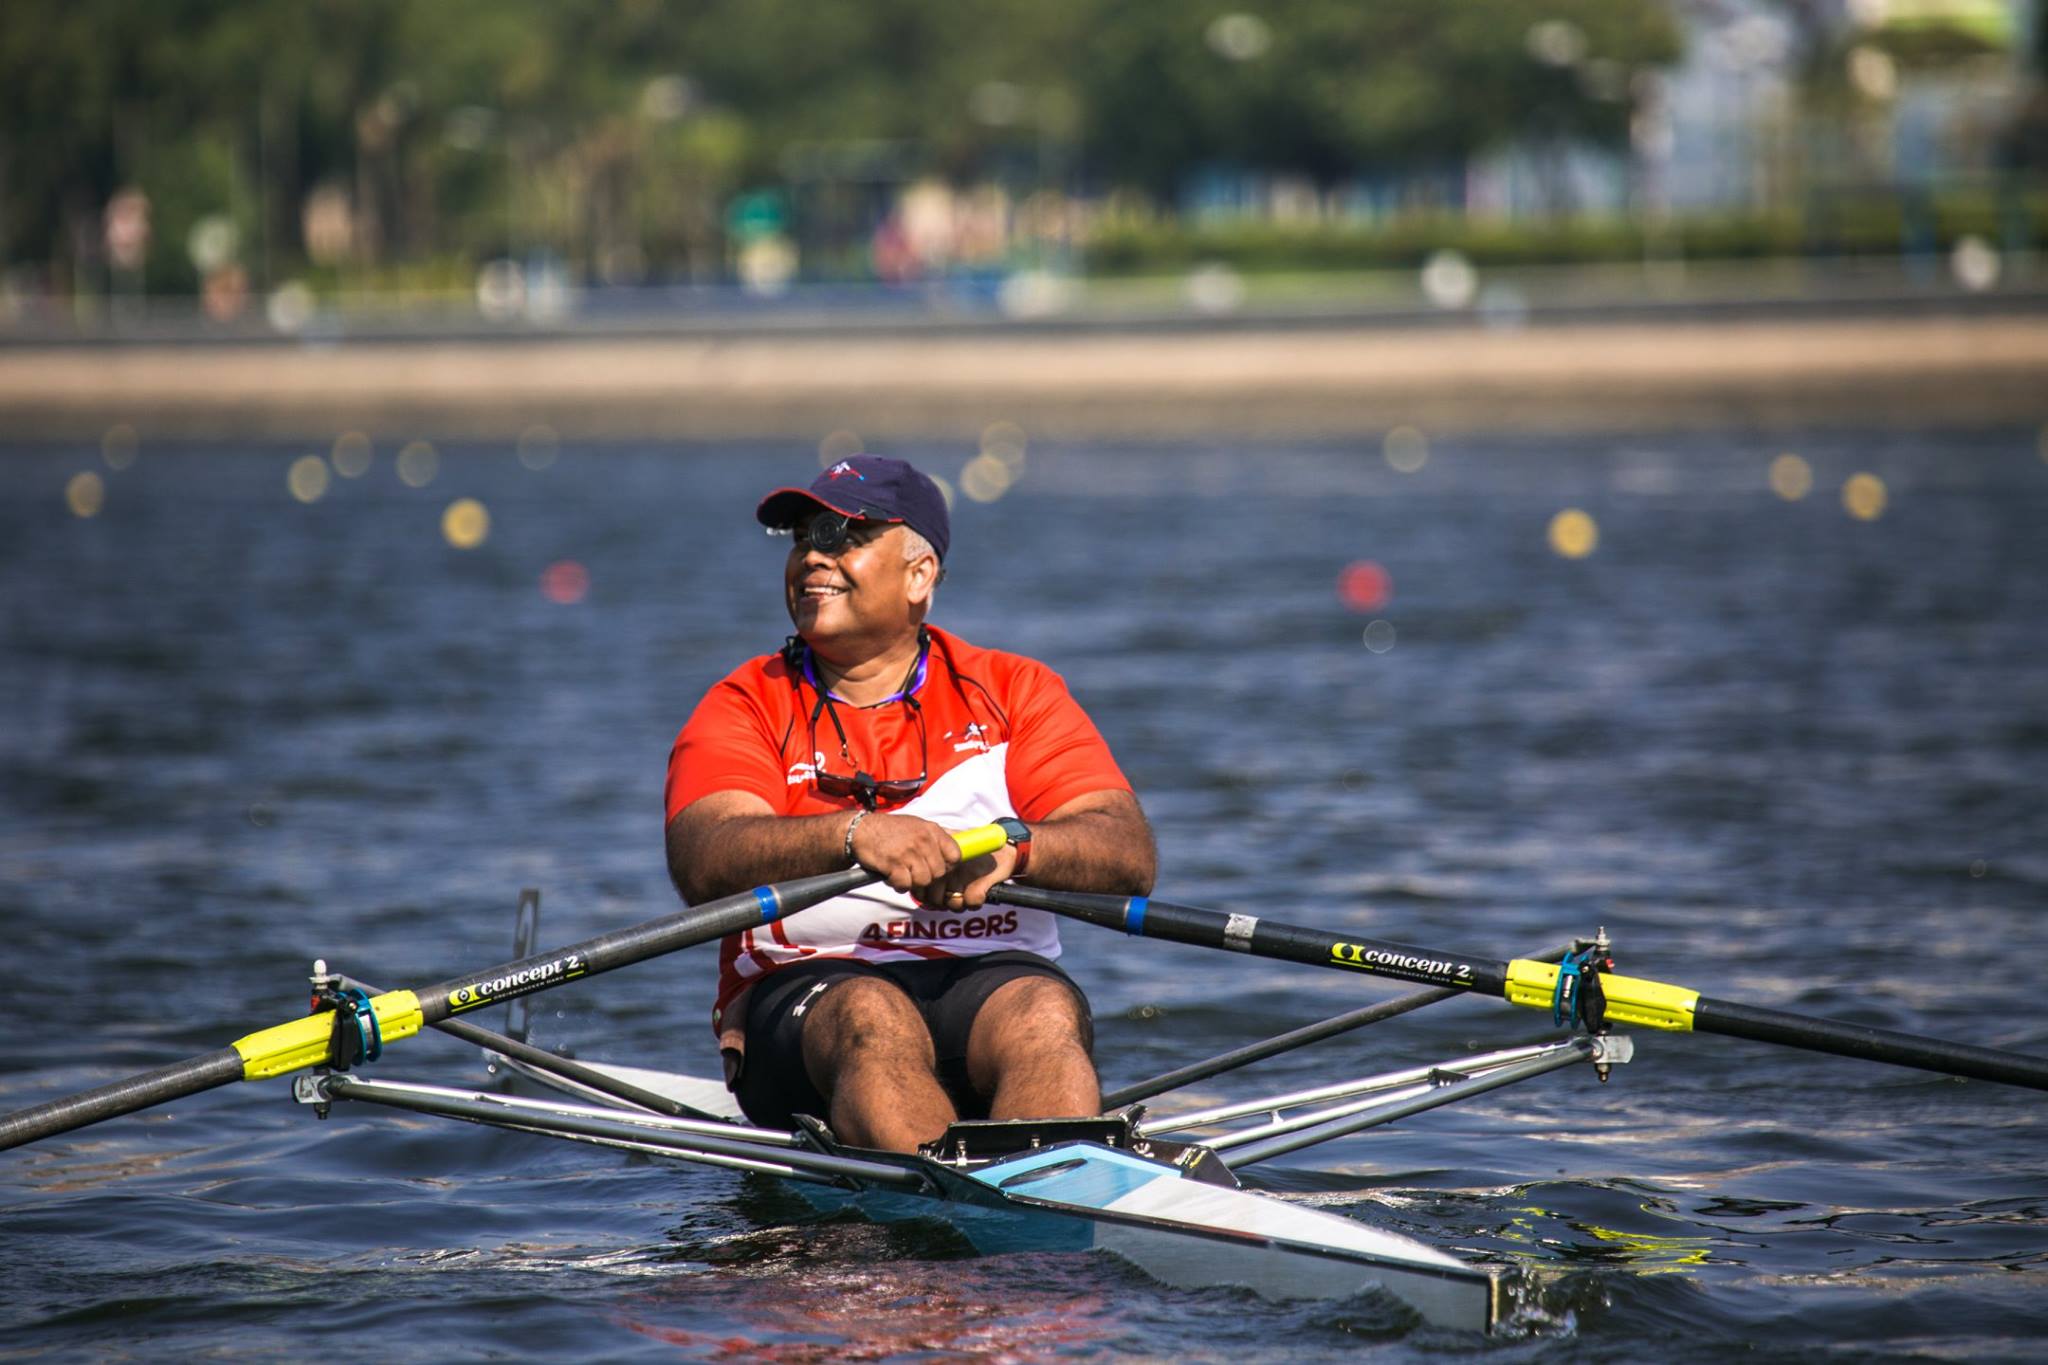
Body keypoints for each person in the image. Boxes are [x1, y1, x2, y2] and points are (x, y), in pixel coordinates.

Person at [664, 454, 1155, 1153]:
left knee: (1043, 1011)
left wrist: (1019, 850)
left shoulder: (1016, 691)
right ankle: (963, 1220)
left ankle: (1044, 1216)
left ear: (919, 575)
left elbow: (1125, 848)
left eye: (843, 535)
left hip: (986, 976)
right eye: (803, 536)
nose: (811, 557)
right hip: (806, 997)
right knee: (873, 1009)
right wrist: (854, 834)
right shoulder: (746, 701)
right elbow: (705, 856)